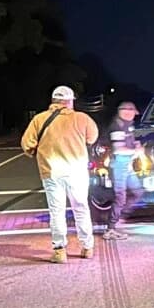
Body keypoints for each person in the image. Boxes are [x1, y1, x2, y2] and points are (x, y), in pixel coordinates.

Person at [21, 86, 99, 263]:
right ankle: (87, 247)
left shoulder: (39, 119)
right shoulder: (82, 118)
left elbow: (27, 144)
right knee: (81, 208)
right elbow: (92, 138)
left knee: (56, 211)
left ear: (53, 101)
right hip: (77, 170)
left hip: (52, 170)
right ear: (70, 101)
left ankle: (59, 251)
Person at [105, 101, 141, 240]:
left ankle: (119, 217)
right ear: (125, 111)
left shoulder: (128, 125)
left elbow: (130, 140)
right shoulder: (117, 126)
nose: (133, 116)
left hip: (127, 165)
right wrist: (135, 150)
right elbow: (118, 149)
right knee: (120, 197)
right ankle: (111, 228)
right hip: (119, 166)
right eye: (132, 113)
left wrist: (135, 144)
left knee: (137, 191)